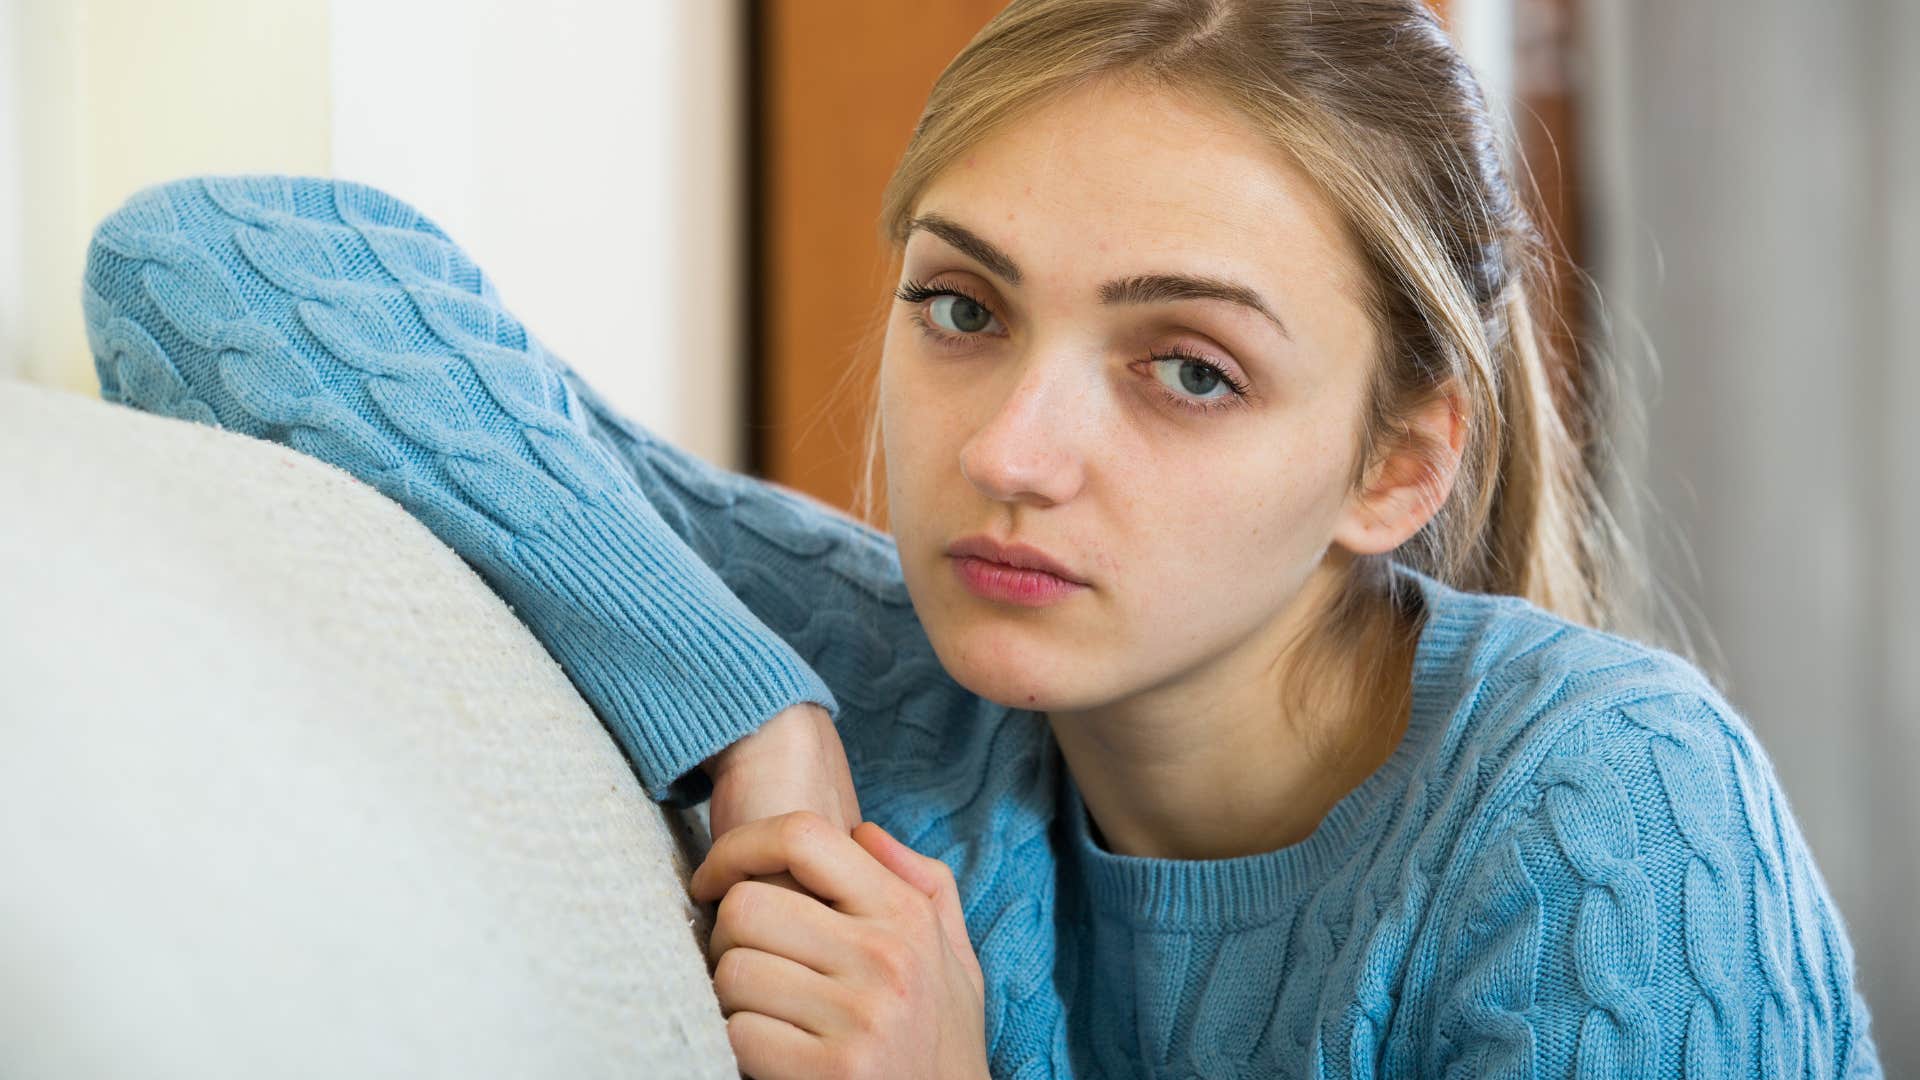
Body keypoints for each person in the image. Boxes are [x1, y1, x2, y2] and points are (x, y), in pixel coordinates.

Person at [79, 0, 1881, 1076]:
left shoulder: (1605, 819)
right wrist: (755, 718)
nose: (1009, 453)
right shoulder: (866, 659)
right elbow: (207, 262)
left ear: (1395, 468)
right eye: (963, 308)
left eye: (1188, 369)